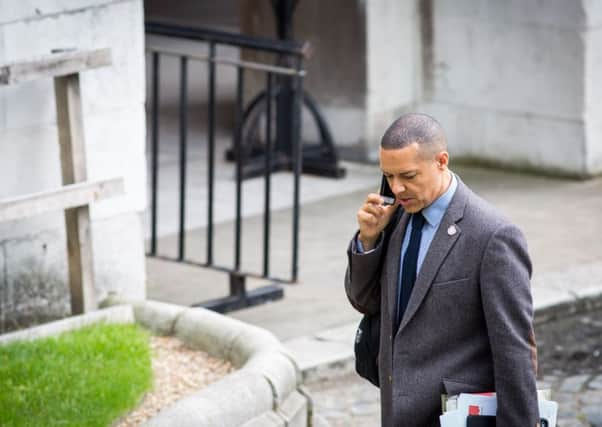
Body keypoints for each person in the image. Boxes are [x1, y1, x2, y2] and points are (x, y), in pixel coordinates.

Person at [344, 113, 539, 426]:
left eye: (408, 176)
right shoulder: (394, 218)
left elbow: (514, 350)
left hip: (454, 416)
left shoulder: (493, 235)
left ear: (441, 161)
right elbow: (365, 302)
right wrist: (369, 240)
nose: (397, 188)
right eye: (389, 176)